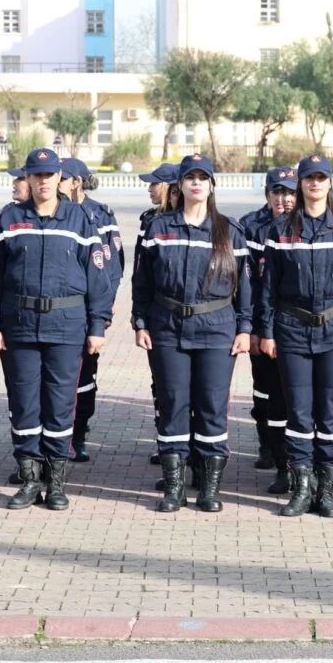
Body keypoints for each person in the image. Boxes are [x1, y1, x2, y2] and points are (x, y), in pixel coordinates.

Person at [0, 148, 112, 511]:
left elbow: (98, 278)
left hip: (67, 327)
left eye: (49, 175)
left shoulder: (81, 220)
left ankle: (55, 482)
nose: (43, 181)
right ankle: (28, 479)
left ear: (59, 178)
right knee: (24, 406)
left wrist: (97, 325)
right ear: (28, 179)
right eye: (36, 176)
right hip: (19, 326)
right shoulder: (8, 219)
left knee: (59, 406)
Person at [256, 155, 333, 518]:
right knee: (299, 411)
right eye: (309, 178)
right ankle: (301, 487)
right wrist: (267, 331)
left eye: (322, 178)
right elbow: (268, 286)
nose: (315, 184)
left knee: (330, 411)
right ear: (300, 184)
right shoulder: (279, 230)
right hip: (292, 329)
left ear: (330, 184)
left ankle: (326, 489)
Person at [133, 154, 252, 513]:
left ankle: (209, 487)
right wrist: (140, 322)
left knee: (212, 406)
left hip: (216, 329)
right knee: (172, 404)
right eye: (190, 178)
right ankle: (174, 487)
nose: (196, 183)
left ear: (212, 185)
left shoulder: (230, 231)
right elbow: (142, 281)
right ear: (180, 185)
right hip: (168, 327)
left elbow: (246, 286)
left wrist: (245, 327)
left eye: (203, 177)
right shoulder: (159, 229)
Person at [59, 158, 123, 463]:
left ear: (75, 181)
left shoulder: (100, 213)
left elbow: (112, 265)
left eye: (61, 177)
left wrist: (103, 310)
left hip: (88, 311)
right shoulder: (49, 212)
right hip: (61, 310)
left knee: (85, 378)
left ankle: (79, 433)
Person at [241, 166, 297, 494]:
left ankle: (296, 462)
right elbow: (244, 281)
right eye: (277, 192)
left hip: (294, 325)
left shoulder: (307, 227)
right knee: (266, 393)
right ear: (267, 194)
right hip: (263, 326)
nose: (283, 199)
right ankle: (271, 450)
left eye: (289, 192)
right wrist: (249, 327)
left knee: (296, 398)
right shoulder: (250, 226)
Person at [137, 162, 180, 467]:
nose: (150, 188)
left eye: (155, 184)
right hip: (159, 315)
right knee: (162, 384)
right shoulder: (149, 220)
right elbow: (142, 270)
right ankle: (167, 443)